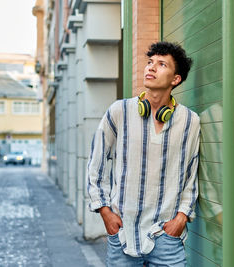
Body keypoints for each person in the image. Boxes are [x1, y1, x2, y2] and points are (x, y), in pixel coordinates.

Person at [87, 41, 200, 266]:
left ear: (175, 79)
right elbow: (96, 166)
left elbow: (190, 175)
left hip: (166, 235)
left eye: (161, 64)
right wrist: (105, 213)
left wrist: (181, 218)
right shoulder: (119, 111)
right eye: (149, 62)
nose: (151, 67)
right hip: (123, 233)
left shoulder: (189, 121)